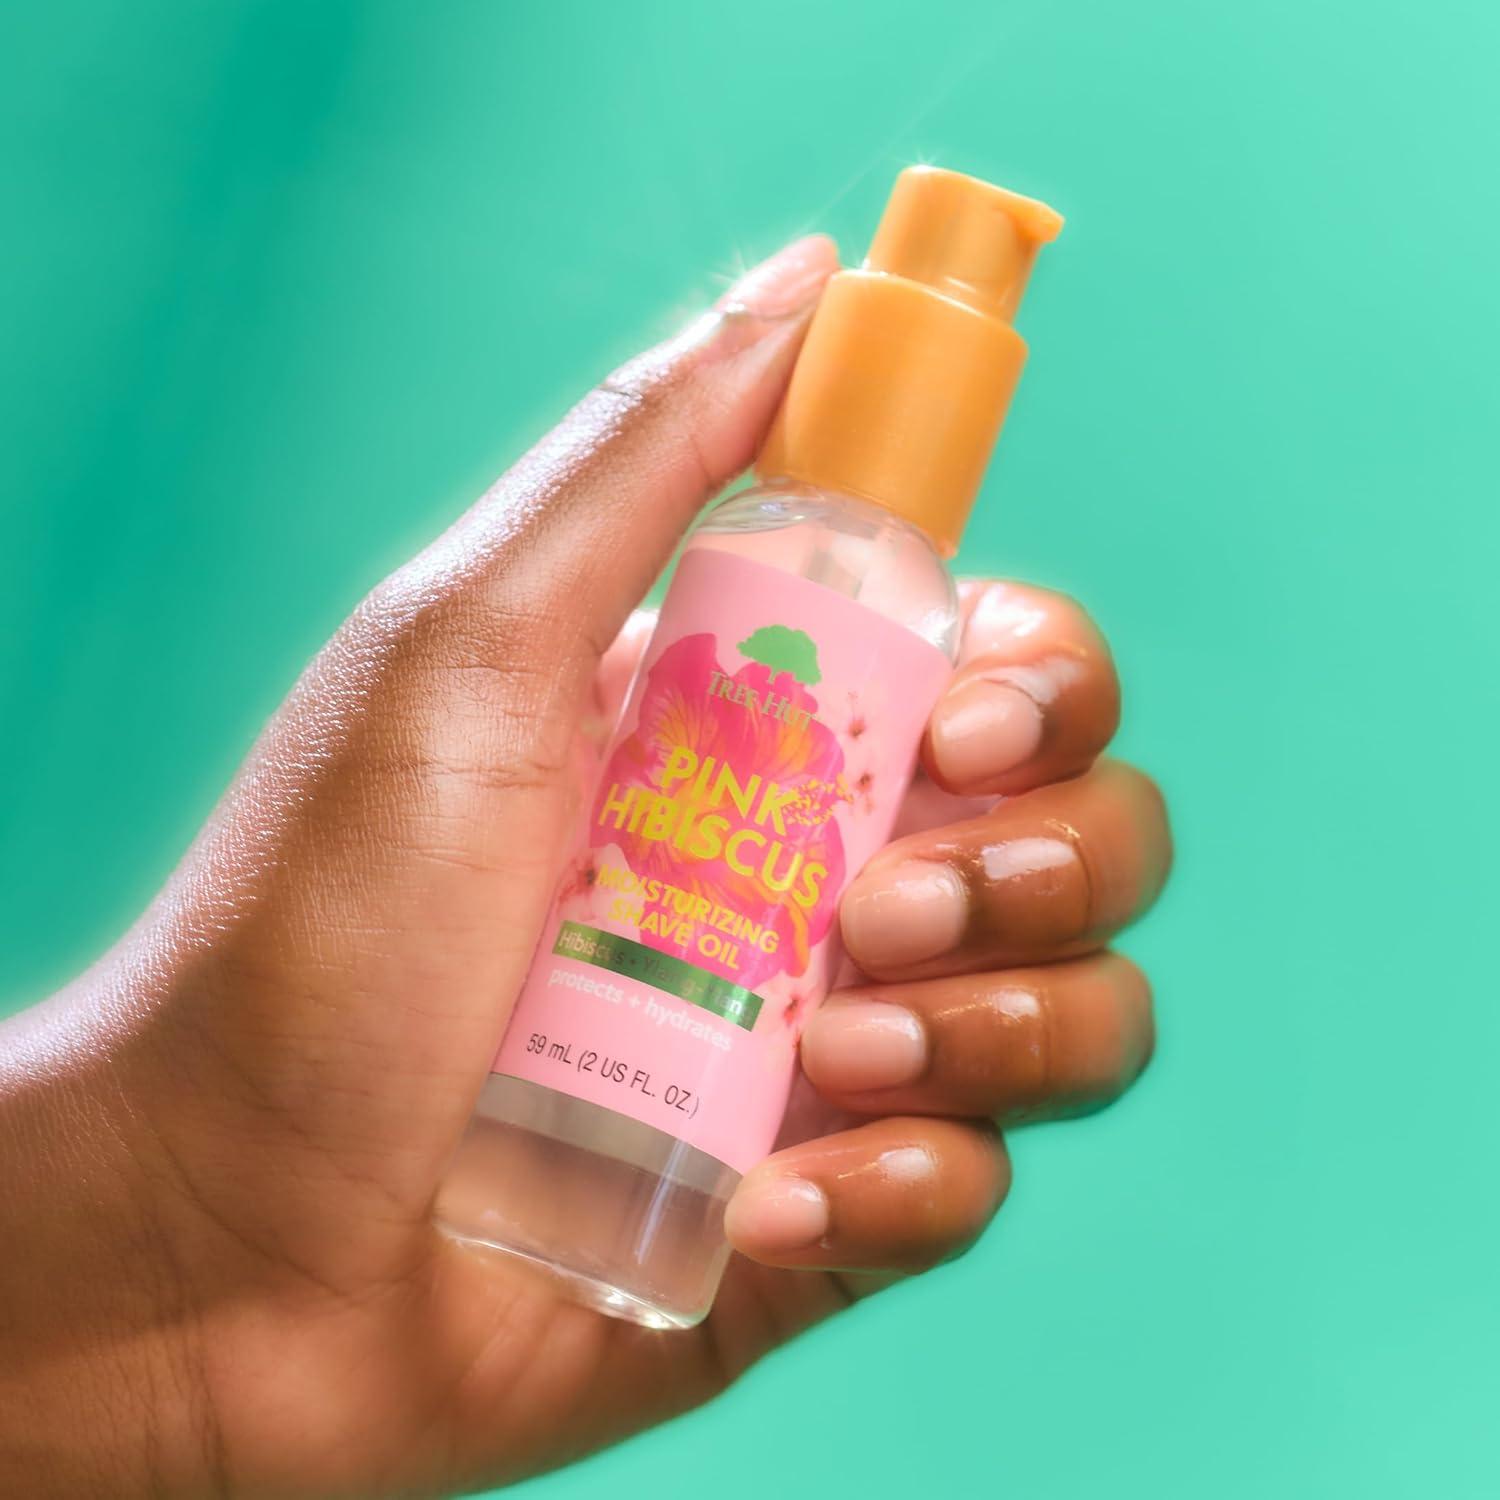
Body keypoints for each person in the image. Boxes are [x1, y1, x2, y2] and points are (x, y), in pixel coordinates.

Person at [0, 235, 1170, 1498]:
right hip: (482, 1130)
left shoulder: (914, 600)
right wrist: (161, 1231)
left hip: (667, 1166)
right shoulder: (751, 538)